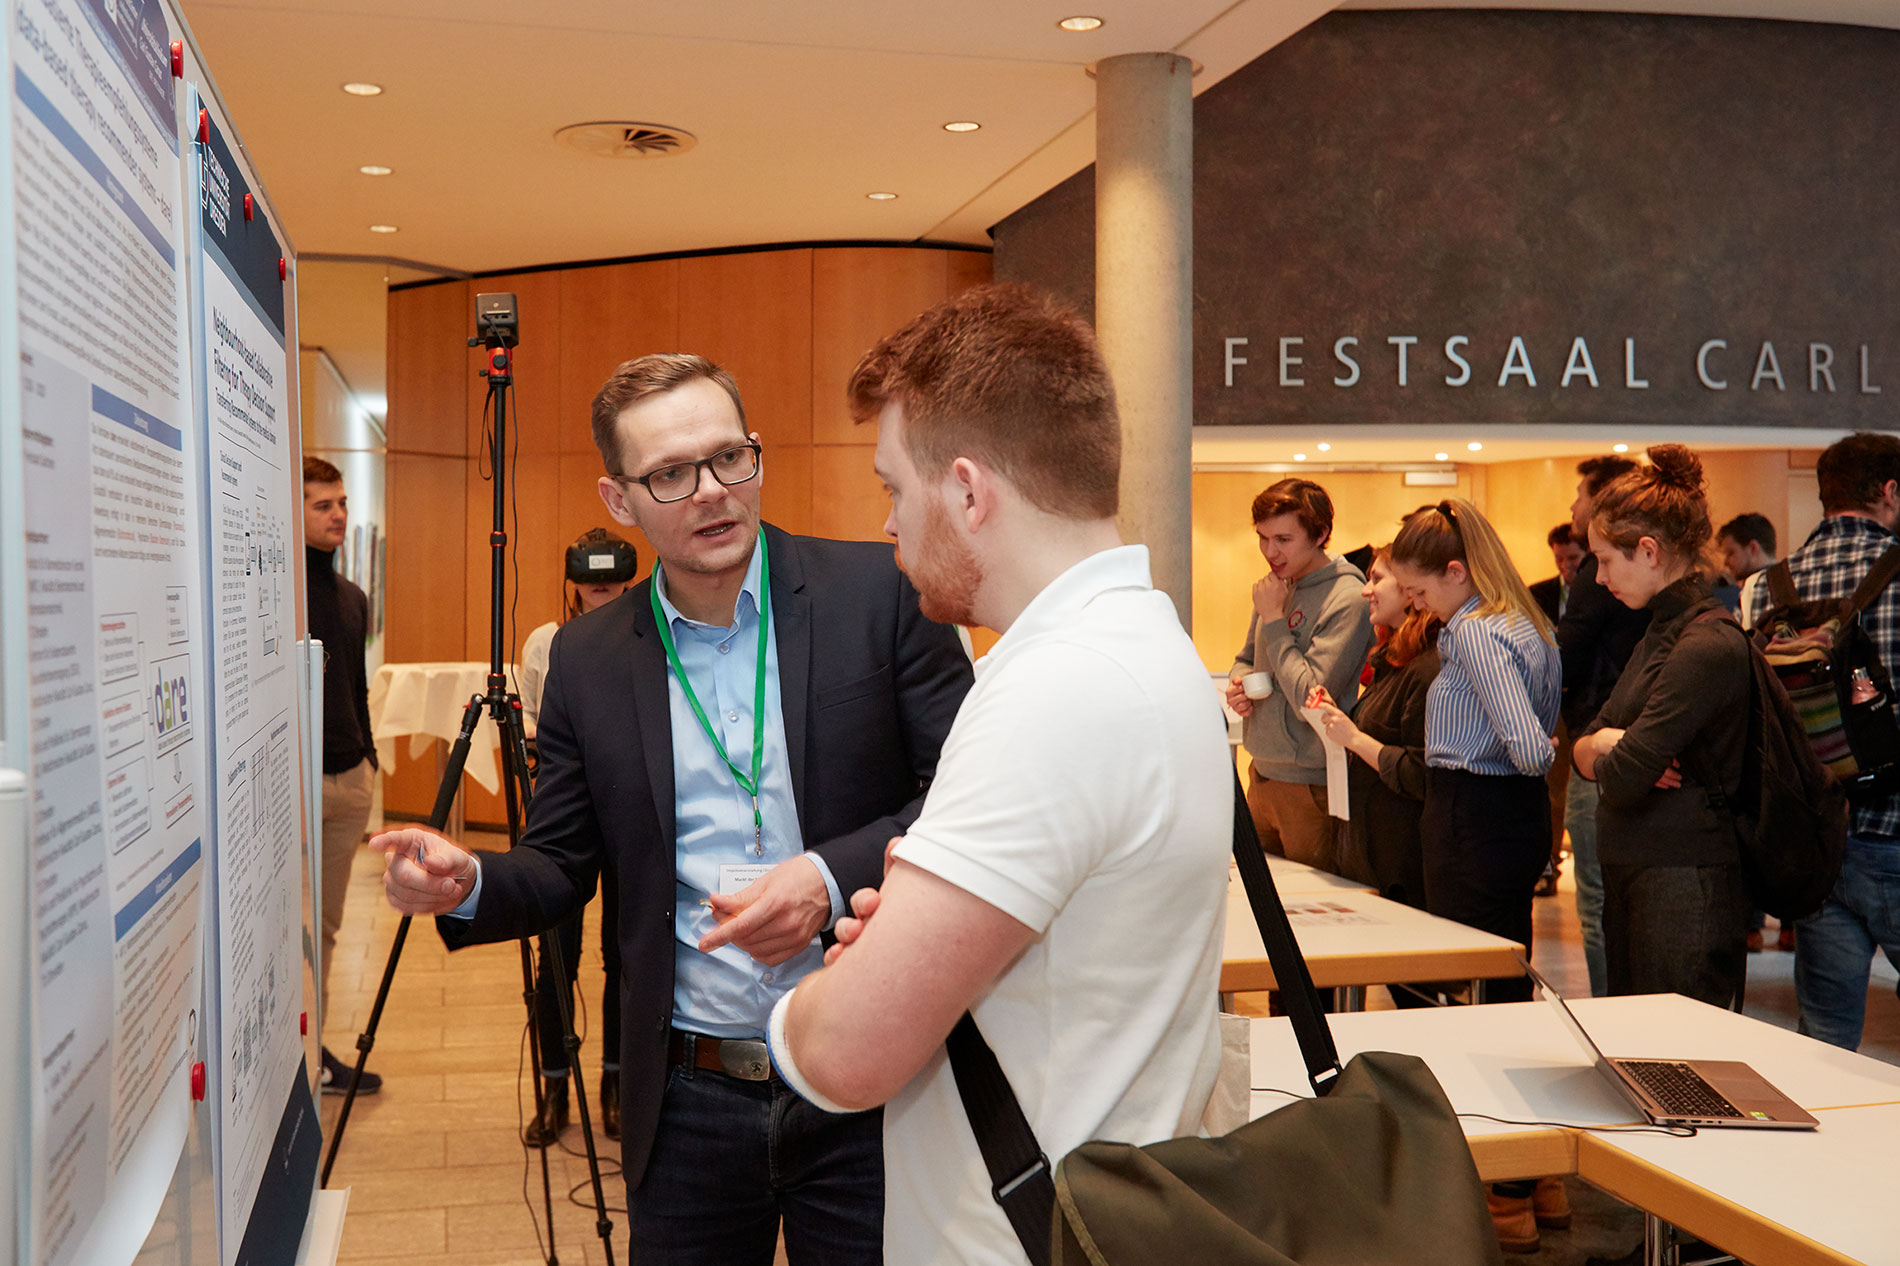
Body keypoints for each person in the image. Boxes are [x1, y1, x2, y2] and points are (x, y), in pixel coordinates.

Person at [371, 353, 974, 1264]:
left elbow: (966, 798)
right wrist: (468, 882)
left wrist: (826, 877)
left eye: (730, 457)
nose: (712, 491)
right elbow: (560, 863)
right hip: (690, 1099)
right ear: (619, 500)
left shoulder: (880, 594)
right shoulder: (587, 661)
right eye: (670, 475)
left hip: (876, 1074)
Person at [767, 285, 1232, 1266]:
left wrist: (811, 1006)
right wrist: (917, 939)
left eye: (895, 487)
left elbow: (848, 1053)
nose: (888, 524)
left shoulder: (1055, 692)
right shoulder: (1143, 644)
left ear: (968, 492)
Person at [1387, 499, 1563, 1252]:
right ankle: (1534, 1175)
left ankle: (1505, 1184)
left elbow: (1529, 746)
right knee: (1505, 985)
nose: (1418, 605)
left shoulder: (1476, 632)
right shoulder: (1526, 623)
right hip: (1505, 816)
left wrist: (1531, 756)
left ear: (1457, 571)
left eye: (1421, 590)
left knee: (1477, 1001)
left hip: (1474, 812)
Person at [1572, 446, 1750, 1009]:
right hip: (1646, 870)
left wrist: (1609, 751)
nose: (1599, 577)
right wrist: (1607, 745)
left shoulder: (1705, 642)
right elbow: (1586, 747)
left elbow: (1623, 777)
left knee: (1677, 1051)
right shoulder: (1661, 629)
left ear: (1648, 551)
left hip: (1682, 882)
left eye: (1605, 560)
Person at [1745, 432, 1900, 1052]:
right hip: (1896, 827)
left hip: (1816, 838)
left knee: (1825, 1040)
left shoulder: (1766, 587)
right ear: (1890, 491)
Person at [514, 527, 638, 1145]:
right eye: (591, 583)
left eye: (611, 583)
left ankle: (617, 1085)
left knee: (626, 954)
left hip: (632, 812)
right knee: (555, 956)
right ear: (573, 584)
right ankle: (554, 1087)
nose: (601, 591)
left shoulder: (649, 632)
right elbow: (531, 727)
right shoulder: (548, 641)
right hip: (564, 815)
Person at [1305, 549, 1441, 1005]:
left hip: (1404, 861)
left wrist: (1353, 737)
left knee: (1417, 997)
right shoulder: (1393, 661)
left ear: (1409, 589)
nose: (1366, 590)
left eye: (1377, 579)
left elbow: (1419, 773)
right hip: (1377, 853)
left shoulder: (1426, 669)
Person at [1225, 479, 1375, 872]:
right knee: (1259, 895)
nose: (1270, 551)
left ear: (1320, 534)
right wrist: (1240, 685)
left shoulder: (1347, 597)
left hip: (1312, 784)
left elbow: (1312, 696)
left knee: (1310, 903)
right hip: (1261, 772)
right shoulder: (1277, 587)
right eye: (1263, 538)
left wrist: (1275, 619)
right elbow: (1246, 659)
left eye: (1283, 539)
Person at [1557, 455, 1651, 996]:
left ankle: (1610, 1014)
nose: (1574, 506)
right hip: (1636, 743)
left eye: (1581, 494)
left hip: (1603, 742)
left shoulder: (1600, 576)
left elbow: (1566, 658)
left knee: (1598, 902)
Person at [303, 456, 383, 1095]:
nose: (338, 515)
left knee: (324, 931)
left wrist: (369, 762)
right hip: (292, 787)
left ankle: (314, 1055)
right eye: (321, 504)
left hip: (349, 779)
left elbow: (356, 689)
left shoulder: (353, 598)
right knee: (281, 928)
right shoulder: (276, 594)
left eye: (341, 503)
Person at [1716, 512, 1784, 951]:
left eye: (1730, 552)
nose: (1725, 562)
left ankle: (1753, 925)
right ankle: (1789, 926)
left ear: (1753, 548)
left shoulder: (1756, 589)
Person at [1530, 523, 1586, 896]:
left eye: (1573, 558)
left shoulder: (1599, 591)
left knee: (1569, 790)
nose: (1566, 566)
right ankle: (1547, 863)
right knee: (1550, 786)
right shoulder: (1539, 594)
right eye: (1559, 559)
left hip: (1582, 699)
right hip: (1549, 700)